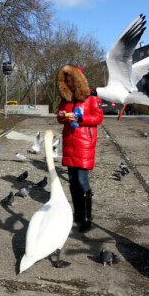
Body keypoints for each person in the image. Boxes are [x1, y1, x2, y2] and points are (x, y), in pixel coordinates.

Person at [56, 65, 104, 233]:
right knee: (72, 180)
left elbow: (99, 117)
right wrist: (61, 116)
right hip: (69, 142)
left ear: (80, 80)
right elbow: (59, 116)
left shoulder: (92, 98)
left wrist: (81, 118)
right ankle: (77, 213)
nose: (70, 84)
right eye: (67, 81)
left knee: (82, 180)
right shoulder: (65, 99)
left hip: (84, 143)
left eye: (73, 81)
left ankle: (86, 218)